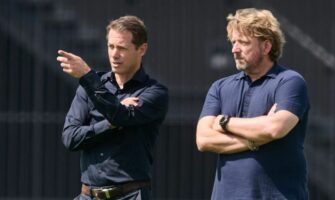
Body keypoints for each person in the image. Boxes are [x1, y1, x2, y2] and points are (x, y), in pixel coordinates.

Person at [196, 8, 310, 200]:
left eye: (244, 42)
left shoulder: (290, 81)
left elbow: (275, 129)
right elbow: (204, 139)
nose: (235, 49)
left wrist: (224, 122)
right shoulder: (220, 87)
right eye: (233, 42)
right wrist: (254, 139)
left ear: (266, 47)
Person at [57, 15, 168, 200]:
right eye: (111, 46)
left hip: (130, 195)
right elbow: (70, 138)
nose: (114, 55)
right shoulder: (89, 88)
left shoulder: (154, 93)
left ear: (142, 49)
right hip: (87, 195)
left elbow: (121, 116)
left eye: (122, 48)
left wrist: (87, 75)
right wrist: (109, 125)